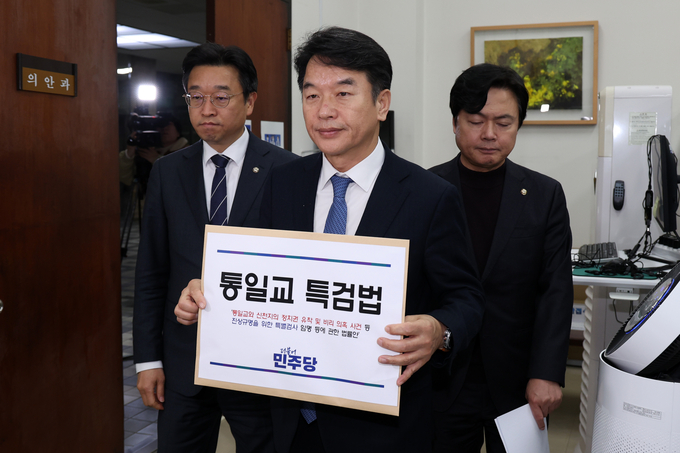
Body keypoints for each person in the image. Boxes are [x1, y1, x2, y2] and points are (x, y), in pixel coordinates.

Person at [175, 27, 485, 453]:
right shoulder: (283, 182)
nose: (324, 111)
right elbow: (262, 278)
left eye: (343, 93)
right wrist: (210, 292)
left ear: (381, 103)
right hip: (290, 422)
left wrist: (440, 330)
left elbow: (467, 298)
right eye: (311, 95)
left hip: (382, 428)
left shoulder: (429, 196)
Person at [132, 42, 297, 453]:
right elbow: (151, 271)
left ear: (249, 102)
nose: (207, 109)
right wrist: (149, 360)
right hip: (183, 361)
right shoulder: (168, 171)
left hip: (259, 364)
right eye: (196, 97)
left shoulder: (289, 170)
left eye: (221, 98)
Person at [429, 63, 573, 452]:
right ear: (455, 123)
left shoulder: (545, 195)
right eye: (476, 121)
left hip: (519, 379)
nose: (489, 133)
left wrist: (547, 372)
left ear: (519, 125)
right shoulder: (425, 189)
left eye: (504, 122)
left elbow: (556, 290)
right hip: (442, 374)